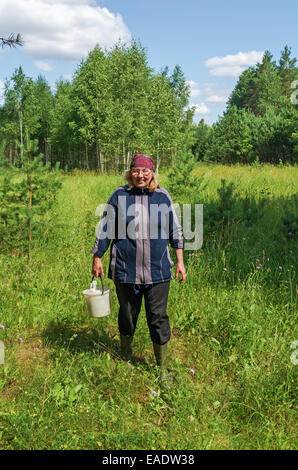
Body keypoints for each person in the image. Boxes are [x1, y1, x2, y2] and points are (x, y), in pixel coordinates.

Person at [91, 154, 186, 385]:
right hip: (126, 269)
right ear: (130, 172)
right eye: (136, 171)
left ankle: (161, 371)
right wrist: (97, 257)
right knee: (127, 314)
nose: (140, 175)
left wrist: (180, 261)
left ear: (152, 173)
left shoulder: (162, 196)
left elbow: (174, 230)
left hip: (158, 271)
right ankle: (126, 357)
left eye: (145, 171)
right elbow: (105, 229)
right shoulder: (119, 195)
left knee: (158, 318)